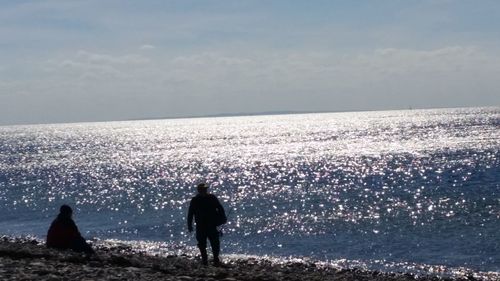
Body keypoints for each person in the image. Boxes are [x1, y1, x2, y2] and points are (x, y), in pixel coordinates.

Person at [187, 183, 227, 266]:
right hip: (200, 225)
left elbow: (220, 208)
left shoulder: (212, 198)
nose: (204, 190)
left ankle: (216, 259)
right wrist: (189, 225)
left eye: (205, 189)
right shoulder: (195, 200)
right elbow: (190, 213)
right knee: (202, 244)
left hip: (212, 224)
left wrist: (223, 218)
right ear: (199, 190)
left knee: (215, 243)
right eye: (202, 189)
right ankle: (204, 260)